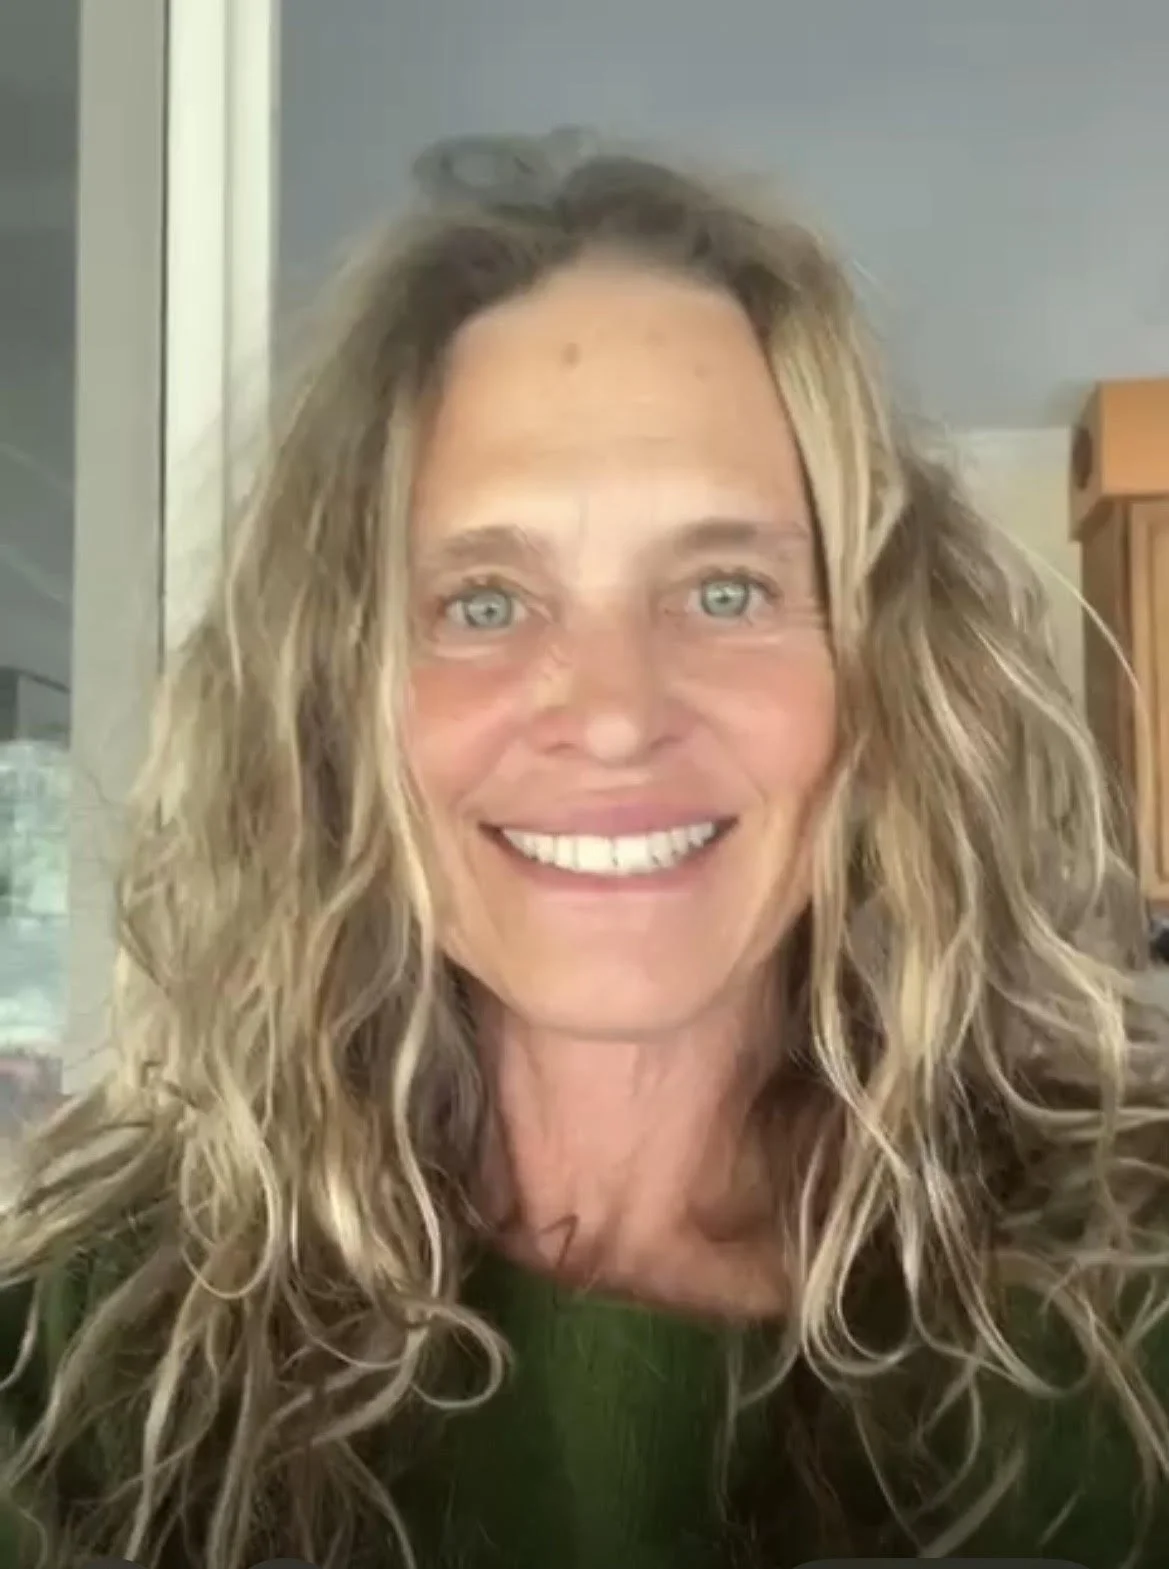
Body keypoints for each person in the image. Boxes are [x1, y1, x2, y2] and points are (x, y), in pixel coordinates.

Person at [1, 151, 1168, 1569]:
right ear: (334, 698)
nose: (616, 712)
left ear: (881, 670)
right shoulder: (83, 1366)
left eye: (725, 589)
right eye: (485, 600)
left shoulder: (1129, 1310)